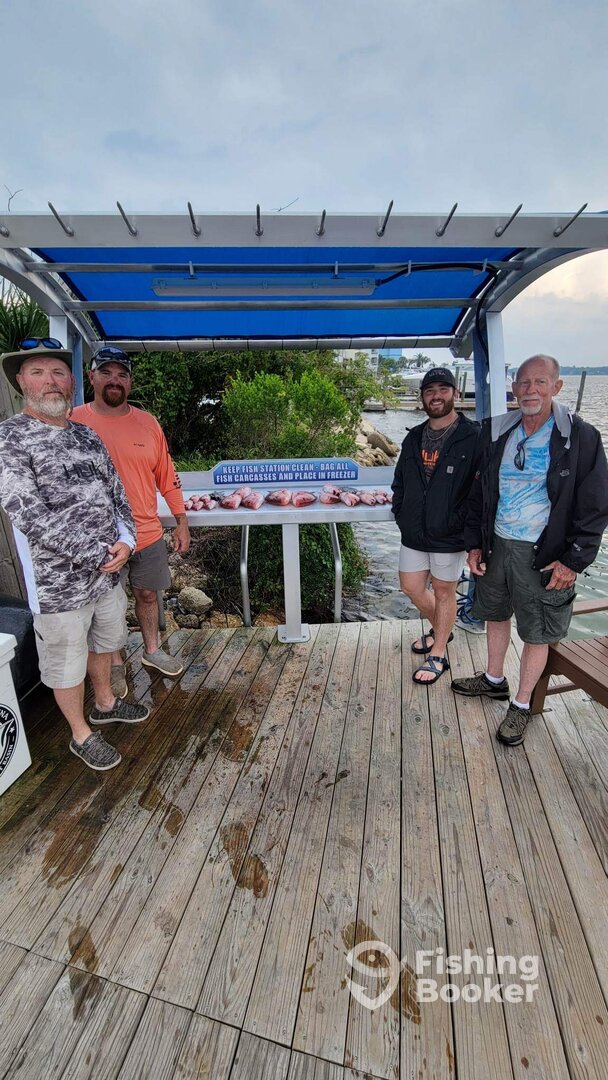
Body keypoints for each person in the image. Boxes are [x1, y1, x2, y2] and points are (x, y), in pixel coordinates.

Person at [0, 340, 149, 771]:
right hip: (57, 586)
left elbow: (117, 494)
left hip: (106, 574)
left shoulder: (86, 434)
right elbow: (28, 513)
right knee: (65, 662)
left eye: (58, 372)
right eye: (38, 372)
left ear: (71, 381)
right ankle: (81, 734)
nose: (50, 381)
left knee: (104, 643)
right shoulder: (10, 437)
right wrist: (95, 554)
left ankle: (105, 703)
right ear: (20, 381)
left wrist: (127, 540)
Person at [452, 354, 608, 746]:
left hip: (545, 553)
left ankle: (521, 704)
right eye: (523, 382)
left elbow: (595, 505)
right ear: (514, 387)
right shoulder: (497, 431)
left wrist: (573, 561)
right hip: (497, 543)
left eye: (540, 382)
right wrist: (475, 544)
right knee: (495, 614)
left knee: (538, 631)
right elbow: (479, 492)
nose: (530, 390)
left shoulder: (581, 437)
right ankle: (494, 679)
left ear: (557, 386)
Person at [72, 347, 190, 695]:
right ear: (91, 377)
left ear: (130, 382)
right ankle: (115, 663)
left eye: (122, 375)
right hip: (99, 537)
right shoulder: (73, 421)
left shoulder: (148, 423)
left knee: (147, 595)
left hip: (147, 531)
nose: (115, 380)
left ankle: (152, 651)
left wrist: (181, 520)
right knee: (106, 606)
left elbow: (167, 474)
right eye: (106, 373)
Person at [391, 367, 481, 685]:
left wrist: (464, 526)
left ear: (455, 393)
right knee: (411, 587)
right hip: (414, 530)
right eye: (430, 391)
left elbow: (480, 490)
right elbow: (400, 482)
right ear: (423, 397)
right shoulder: (414, 437)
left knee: (444, 592)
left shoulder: (474, 437)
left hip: (450, 534)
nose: (436, 396)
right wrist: (401, 513)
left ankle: (438, 652)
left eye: (443, 389)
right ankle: (444, 628)